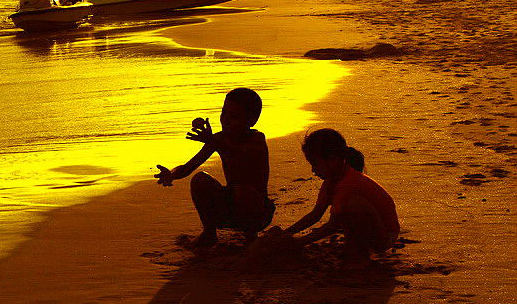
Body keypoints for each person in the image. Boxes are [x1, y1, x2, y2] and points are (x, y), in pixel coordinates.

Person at [154, 88, 274, 246]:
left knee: (242, 189)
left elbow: (241, 155)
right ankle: (209, 233)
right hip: (230, 207)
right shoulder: (219, 139)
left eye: (234, 117)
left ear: (251, 121)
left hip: (259, 211)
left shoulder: (256, 139)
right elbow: (189, 166)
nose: (226, 120)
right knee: (200, 179)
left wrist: (214, 142)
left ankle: (251, 237)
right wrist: (171, 174)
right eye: (224, 113)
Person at [274, 128, 399, 267]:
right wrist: (286, 234)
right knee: (347, 209)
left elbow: (332, 226)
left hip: (385, 236)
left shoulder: (349, 182)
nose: (313, 170)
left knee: (354, 204)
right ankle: (355, 247)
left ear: (332, 160)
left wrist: (298, 243)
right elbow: (315, 214)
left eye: (315, 164)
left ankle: (361, 255)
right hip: (370, 227)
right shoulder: (330, 181)